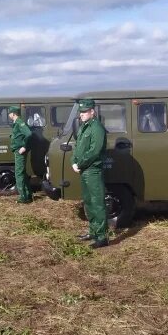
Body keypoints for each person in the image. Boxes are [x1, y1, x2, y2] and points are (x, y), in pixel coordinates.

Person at [71, 99, 108, 249]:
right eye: (80, 112)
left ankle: (102, 237)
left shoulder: (97, 128)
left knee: (97, 203)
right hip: (84, 170)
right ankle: (93, 231)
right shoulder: (83, 127)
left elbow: (95, 151)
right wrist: (73, 161)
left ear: (92, 111)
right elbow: (77, 146)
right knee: (88, 201)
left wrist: (80, 164)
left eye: (85, 112)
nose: (82, 115)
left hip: (92, 170)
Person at [8, 105, 33, 203]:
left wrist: (24, 146)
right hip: (17, 150)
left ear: (13, 113)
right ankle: (28, 195)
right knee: (22, 172)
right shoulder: (16, 123)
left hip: (20, 151)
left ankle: (23, 197)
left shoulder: (19, 122)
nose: (9, 115)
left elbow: (29, 134)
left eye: (9, 113)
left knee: (18, 173)